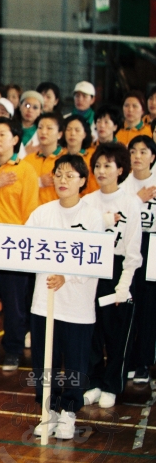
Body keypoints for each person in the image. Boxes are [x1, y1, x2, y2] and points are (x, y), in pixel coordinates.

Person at [27, 154, 104, 440]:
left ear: (83, 181)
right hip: (44, 303)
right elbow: (24, 248)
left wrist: (67, 276)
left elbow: (97, 258)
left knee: (74, 362)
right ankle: (49, 412)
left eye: (70, 175)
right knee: (44, 363)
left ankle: (69, 413)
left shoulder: (92, 216)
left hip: (77, 305)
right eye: (58, 174)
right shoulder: (42, 213)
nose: (63, 180)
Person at [81, 143, 141, 409]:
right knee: (92, 331)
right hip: (93, 268)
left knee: (117, 334)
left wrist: (123, 285)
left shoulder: (131, 203)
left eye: (107, 165)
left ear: (120, 169)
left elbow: (133, 250)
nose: (101, 170)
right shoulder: (88, 201)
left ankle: (112, 385)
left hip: (118, 271)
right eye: (97, 166)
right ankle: (93, 382)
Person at [0, 117, 39, 370]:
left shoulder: (25, 171)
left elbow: (30, 212)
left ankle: (13, 349)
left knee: (14, 303)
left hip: (14, 246)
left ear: (15, 139)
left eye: (2, 134)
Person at [120, 135, 156, 386]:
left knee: (148, 305)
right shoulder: (123, 183)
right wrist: (136, 200)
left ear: (153, 156)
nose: (137, 156)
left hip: (154, 246)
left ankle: (143, 362)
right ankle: (128, 359)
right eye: (133, 151)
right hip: (128, 246)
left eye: (143, 152)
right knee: (128, 303)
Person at [24, 112, 64, 206]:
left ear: (59, 134)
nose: (43, 132)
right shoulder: (28, 160)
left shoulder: (67, 160)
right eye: (40, 127)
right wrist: (38, 181)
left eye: (49, 128)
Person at [62, 115, 99, 195]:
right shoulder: (57, 156)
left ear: (84, 134)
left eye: (77, 130)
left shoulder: (92, 157)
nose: (72, 133)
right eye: (69, 129)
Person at [18, 91, 44, 156]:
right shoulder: (9, 127)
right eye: (27, 105)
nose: (30, 110)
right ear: (20, 106)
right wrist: (25, 152)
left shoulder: (41, 131)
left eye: (35, 107)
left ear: (40, 111)